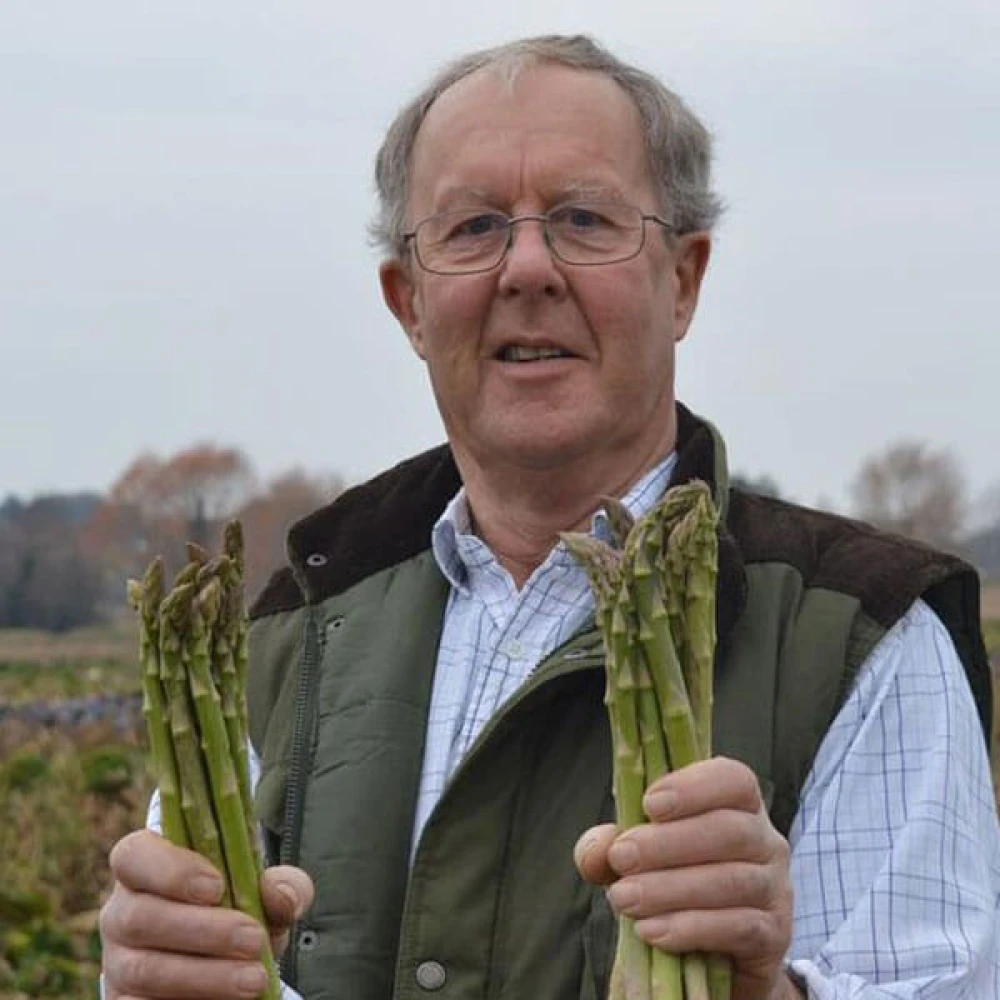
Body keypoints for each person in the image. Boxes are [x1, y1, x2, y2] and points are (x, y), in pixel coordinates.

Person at [99, 34, 999, 1000]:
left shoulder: (866, 632)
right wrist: (153, 975)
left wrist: (764, 993)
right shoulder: (285, 633)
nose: (527, 269)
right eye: (474, 228)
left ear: (684, 279)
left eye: (583, 218)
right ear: (407, 303)